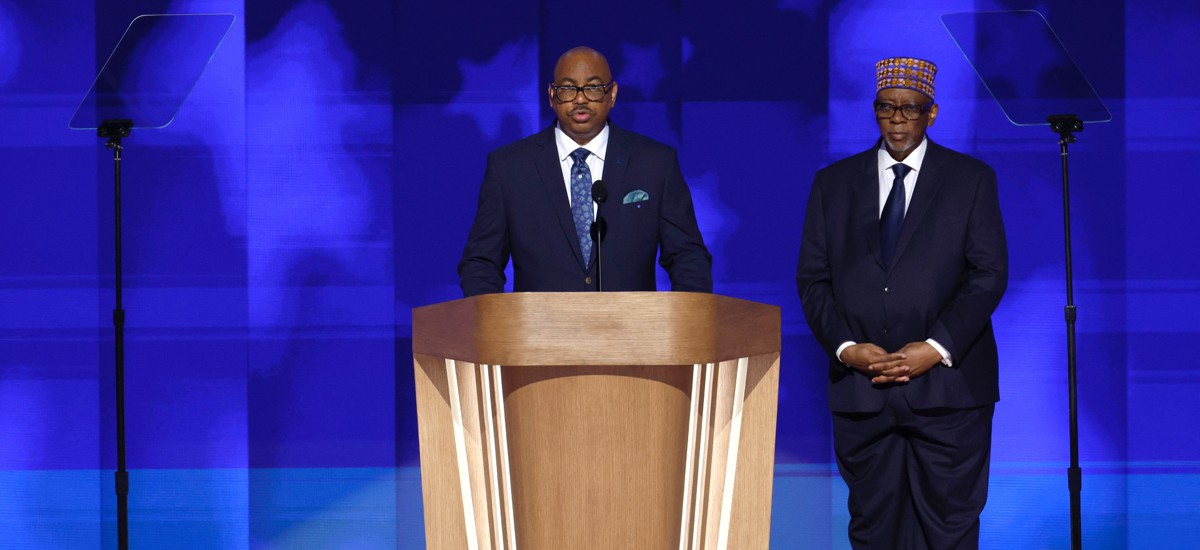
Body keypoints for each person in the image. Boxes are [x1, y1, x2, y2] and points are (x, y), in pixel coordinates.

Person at [796, 57, 1008, 549]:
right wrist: (847, 349)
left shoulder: (970, 179)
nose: (896, 119)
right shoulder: (833, 183)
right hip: (863, 390)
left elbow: (989, 274)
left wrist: (935, 348)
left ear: (931, 113)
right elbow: (813, 279)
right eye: (886, 107)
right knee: (873, 531)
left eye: (910, 108)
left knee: (950, 530)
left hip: (950, 392)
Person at [458, 46, 712, 296]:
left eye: (593, 88)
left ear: (612, 94)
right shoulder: (509, 168)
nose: (580, 99)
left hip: (629, 323)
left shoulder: (655, 163)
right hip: (539, 324)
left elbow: (688, 257)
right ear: (551, 95)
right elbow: (481, 263)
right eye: (568, 88)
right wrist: (491, 320)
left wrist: (688, 318)